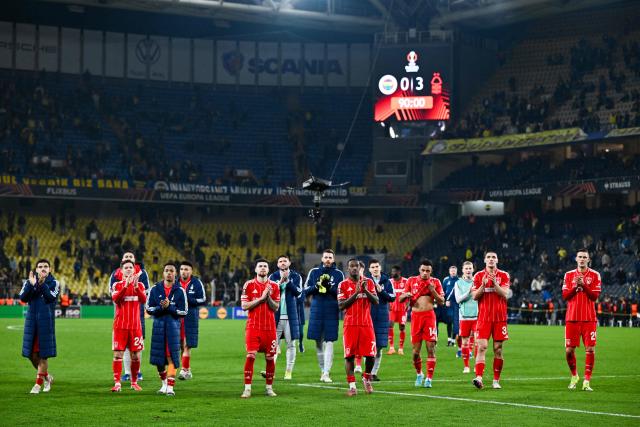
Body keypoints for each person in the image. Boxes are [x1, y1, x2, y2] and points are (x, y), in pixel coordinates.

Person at [399, 259, 444, 388]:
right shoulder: (411, 281)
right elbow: (401, 298)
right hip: (416, 318)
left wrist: (433, 291)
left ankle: (429, 379)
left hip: (429, 317)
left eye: (427, 271)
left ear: (431, 271)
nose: (425, 273)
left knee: (431, 348)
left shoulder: (435, 282)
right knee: (415, 352)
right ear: (419, 270)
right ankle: (419, 374)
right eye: (423, 270)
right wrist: (406, 294)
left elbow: (441, 301)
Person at [338, 259, 379, 396]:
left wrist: (365, 290)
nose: (354, 268)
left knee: (371, 355)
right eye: (352, 266)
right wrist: (356, 293)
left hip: (366, 324)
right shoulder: (343, 284)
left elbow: (376, 301)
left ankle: (366, 378)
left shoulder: (369, 282)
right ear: (348, 268)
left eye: (357, 266)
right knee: (349, 356)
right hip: (350, 325)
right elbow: (341, 305)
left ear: (361, 268)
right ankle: (352, 386)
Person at [240, 259, 280, 398]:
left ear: (268, 270)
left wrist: (267, 297)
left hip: (269, 328)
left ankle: (269, 388)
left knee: (270, 358)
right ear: (256, 270)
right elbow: (244, 306)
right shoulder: (249, 285)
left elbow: (276, 307)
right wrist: (261, 298)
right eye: (260, 266)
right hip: (253, 327)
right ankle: (247, 389)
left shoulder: (274, 286)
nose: (262, 268)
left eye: (265, 266)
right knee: (251, 356)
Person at [562, 249, 602, 391]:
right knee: (569, 351)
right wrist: (576, 286)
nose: (582, 259)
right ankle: (574, 375)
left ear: (589, 259)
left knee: (590, 349)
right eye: (580, 257)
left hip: (589, 318)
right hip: (572, 318)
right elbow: (565, 296)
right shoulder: (568, 275)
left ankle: (586, 381)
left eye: (585, 257)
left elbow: (594, 297)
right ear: (576, 259)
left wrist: (584, 285)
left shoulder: (595, 275)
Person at [303, 249, 344, 383]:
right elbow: (306, 290)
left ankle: (326, 372)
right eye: (325, 257)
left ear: (333, 259)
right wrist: (317, 286)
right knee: (318, 341)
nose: (327, 259)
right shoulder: (314, 272)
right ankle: (322, 369)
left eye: (330, 257)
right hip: (317, 309)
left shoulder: (339, 274)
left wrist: (330, 288)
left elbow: (341, 293)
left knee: (329, 340)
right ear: (322, 259)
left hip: (332, 309)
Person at [146, 263, 187, 396]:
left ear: (175, 274)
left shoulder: (180, 291)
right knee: (159, 360)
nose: (169, 273)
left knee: (171, 357)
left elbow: (184, 311)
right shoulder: (154, 289)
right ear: (163, 273)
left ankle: (170, 387)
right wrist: (161, 308)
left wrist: (169, 307)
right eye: (166, 271)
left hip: (173, 328)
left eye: (171, 271)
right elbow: (148, 309)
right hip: (158, 328)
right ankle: (163, 384)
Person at [471, 251, 510, 389]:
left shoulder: (504, 275)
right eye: (489, 257)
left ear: (497, 260)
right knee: (482, 347)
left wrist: (494, 284)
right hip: (484, 318)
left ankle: (495, 380)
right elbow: (475, 296)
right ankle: (479, 377)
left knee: (498, 349)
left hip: (500, 318)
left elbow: (505, 294)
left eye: (494, 257)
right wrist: (483, 285)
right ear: (485, 260)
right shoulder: (478, 276)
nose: (491, 259)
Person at [20, 259, 59, 394]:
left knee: (43, 355)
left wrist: (41, 285)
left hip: (46, 323)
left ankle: (37, 385)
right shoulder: (28, 282)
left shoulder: (54, 283)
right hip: (31, 323)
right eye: (40, 266)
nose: (43, 268)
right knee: (31, 354)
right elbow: (23, 298)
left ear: (50, 269)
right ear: (36, 269)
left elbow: (51, 297)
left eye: (46, 266)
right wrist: (32, 285)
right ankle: (47, 376)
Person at [109, 252, 149, 382]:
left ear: (135, 262)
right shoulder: (115, 276)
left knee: (137, 346)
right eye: (125, 261)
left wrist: (136, 286)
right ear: (121, 266)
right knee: (122, 348)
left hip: (137, 315)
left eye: (130, 259)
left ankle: (137, 374)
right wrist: (126, 285)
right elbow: (113, 295)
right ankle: (126, 373)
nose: (128, 264)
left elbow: (144, 297)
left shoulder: (142, 274)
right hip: (121, 316)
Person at [355, 259, 395, 380]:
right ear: (369, 270)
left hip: (382, 316)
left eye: (377, 266)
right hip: (369, 316)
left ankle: (373, 373)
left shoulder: (387, 281)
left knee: (380, 346)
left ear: (380, 267)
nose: (375, 268)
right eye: (372, 267)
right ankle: (368, 372)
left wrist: (381, 291)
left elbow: (392, 298)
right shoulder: (365, 281)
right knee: (368, 346)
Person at [269, 255, 303, 380]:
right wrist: (279, 283)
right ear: (277, 264)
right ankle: (270, 370)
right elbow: (269, 293)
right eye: (280, 261)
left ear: (289, 262)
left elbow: (299, 293)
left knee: (291, 344)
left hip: (290, 316)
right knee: (273, 345)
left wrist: (288, 282)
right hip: (276, 315)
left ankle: (288, 372)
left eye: (285, 261)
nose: (282, 263)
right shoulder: (272, 277)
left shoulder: (296, 276)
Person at [178, 261, 206, 381]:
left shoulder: (196, 283)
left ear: (191, 271)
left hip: (190, 317)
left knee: (186, 345)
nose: (184, 271)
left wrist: (188, 299)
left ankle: (184, 370)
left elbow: (203, 299)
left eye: (186, 269)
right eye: (182, 269)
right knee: (179, 346)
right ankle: (187, 369)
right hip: (176, 317)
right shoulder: (175, 283)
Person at [454, 261, 478, 373]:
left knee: (478, 342)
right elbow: (458, 299)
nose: (468, 270)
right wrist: (469, 291)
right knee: (465, 342)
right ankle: (466, 366)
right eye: (466, 268)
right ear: (462, 270)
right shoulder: (458, 283)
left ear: (473, 269)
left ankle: (477, 366)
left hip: (477, 317)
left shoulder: (477, 282)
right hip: (464, 317)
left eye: (470, 268)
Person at [387, 265, 408, 355]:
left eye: (394, 271)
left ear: (399, 272)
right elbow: (386, 294)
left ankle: (400, 348)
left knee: (402, 327)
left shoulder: (406, 281)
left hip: (402, 309)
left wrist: (407, 305)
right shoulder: (389, 282)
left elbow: (409, 294)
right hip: (392, 309)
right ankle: (391, 347)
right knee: (390, 325)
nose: (392, 273)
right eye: (392, 271)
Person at [444, 266, 460, 352]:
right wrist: (445, 300)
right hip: (448, 303)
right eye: (452, 271)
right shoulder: (446, 280)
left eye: (454, 270)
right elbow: (443, 291)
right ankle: (449, 338)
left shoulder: (459, 280)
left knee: (455, 321)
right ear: (449, 271)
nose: (453, 272)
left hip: (456, 303)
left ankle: (453, 340)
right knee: (449, 321)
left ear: (456, 271)